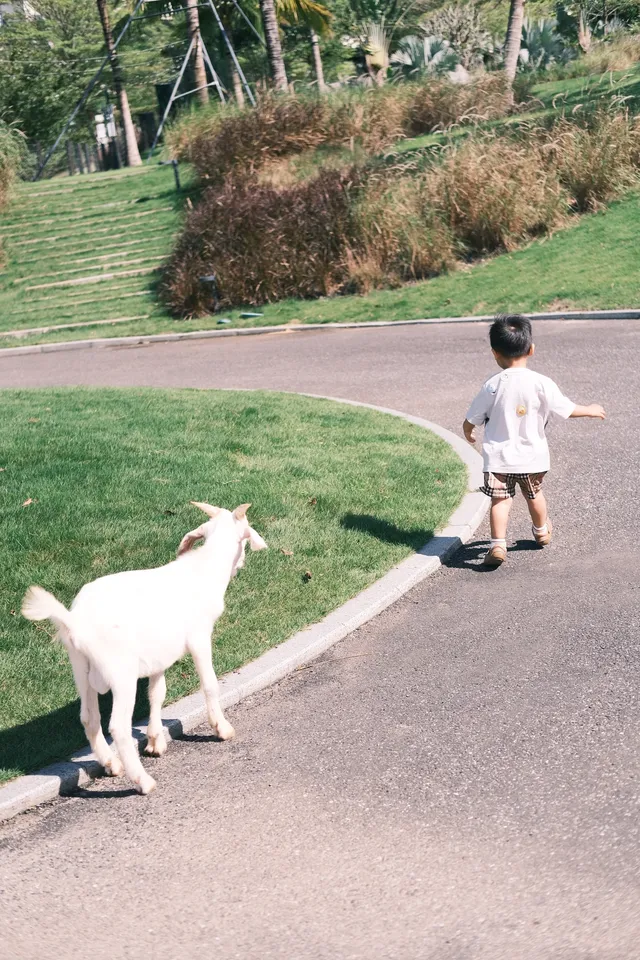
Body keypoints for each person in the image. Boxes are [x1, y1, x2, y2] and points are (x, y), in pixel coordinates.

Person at [462, 314, 605, 567]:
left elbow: (472, 416)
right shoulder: (541, 382)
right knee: (534, 495)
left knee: (500, 501)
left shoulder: (492, 385)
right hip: (533, 457)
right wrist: (590, 409)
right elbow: (567, 409)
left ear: (495, 353)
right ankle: (541, 531)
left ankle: (497, 545)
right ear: (531, 349)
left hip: (499, 460)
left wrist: (468, 431)